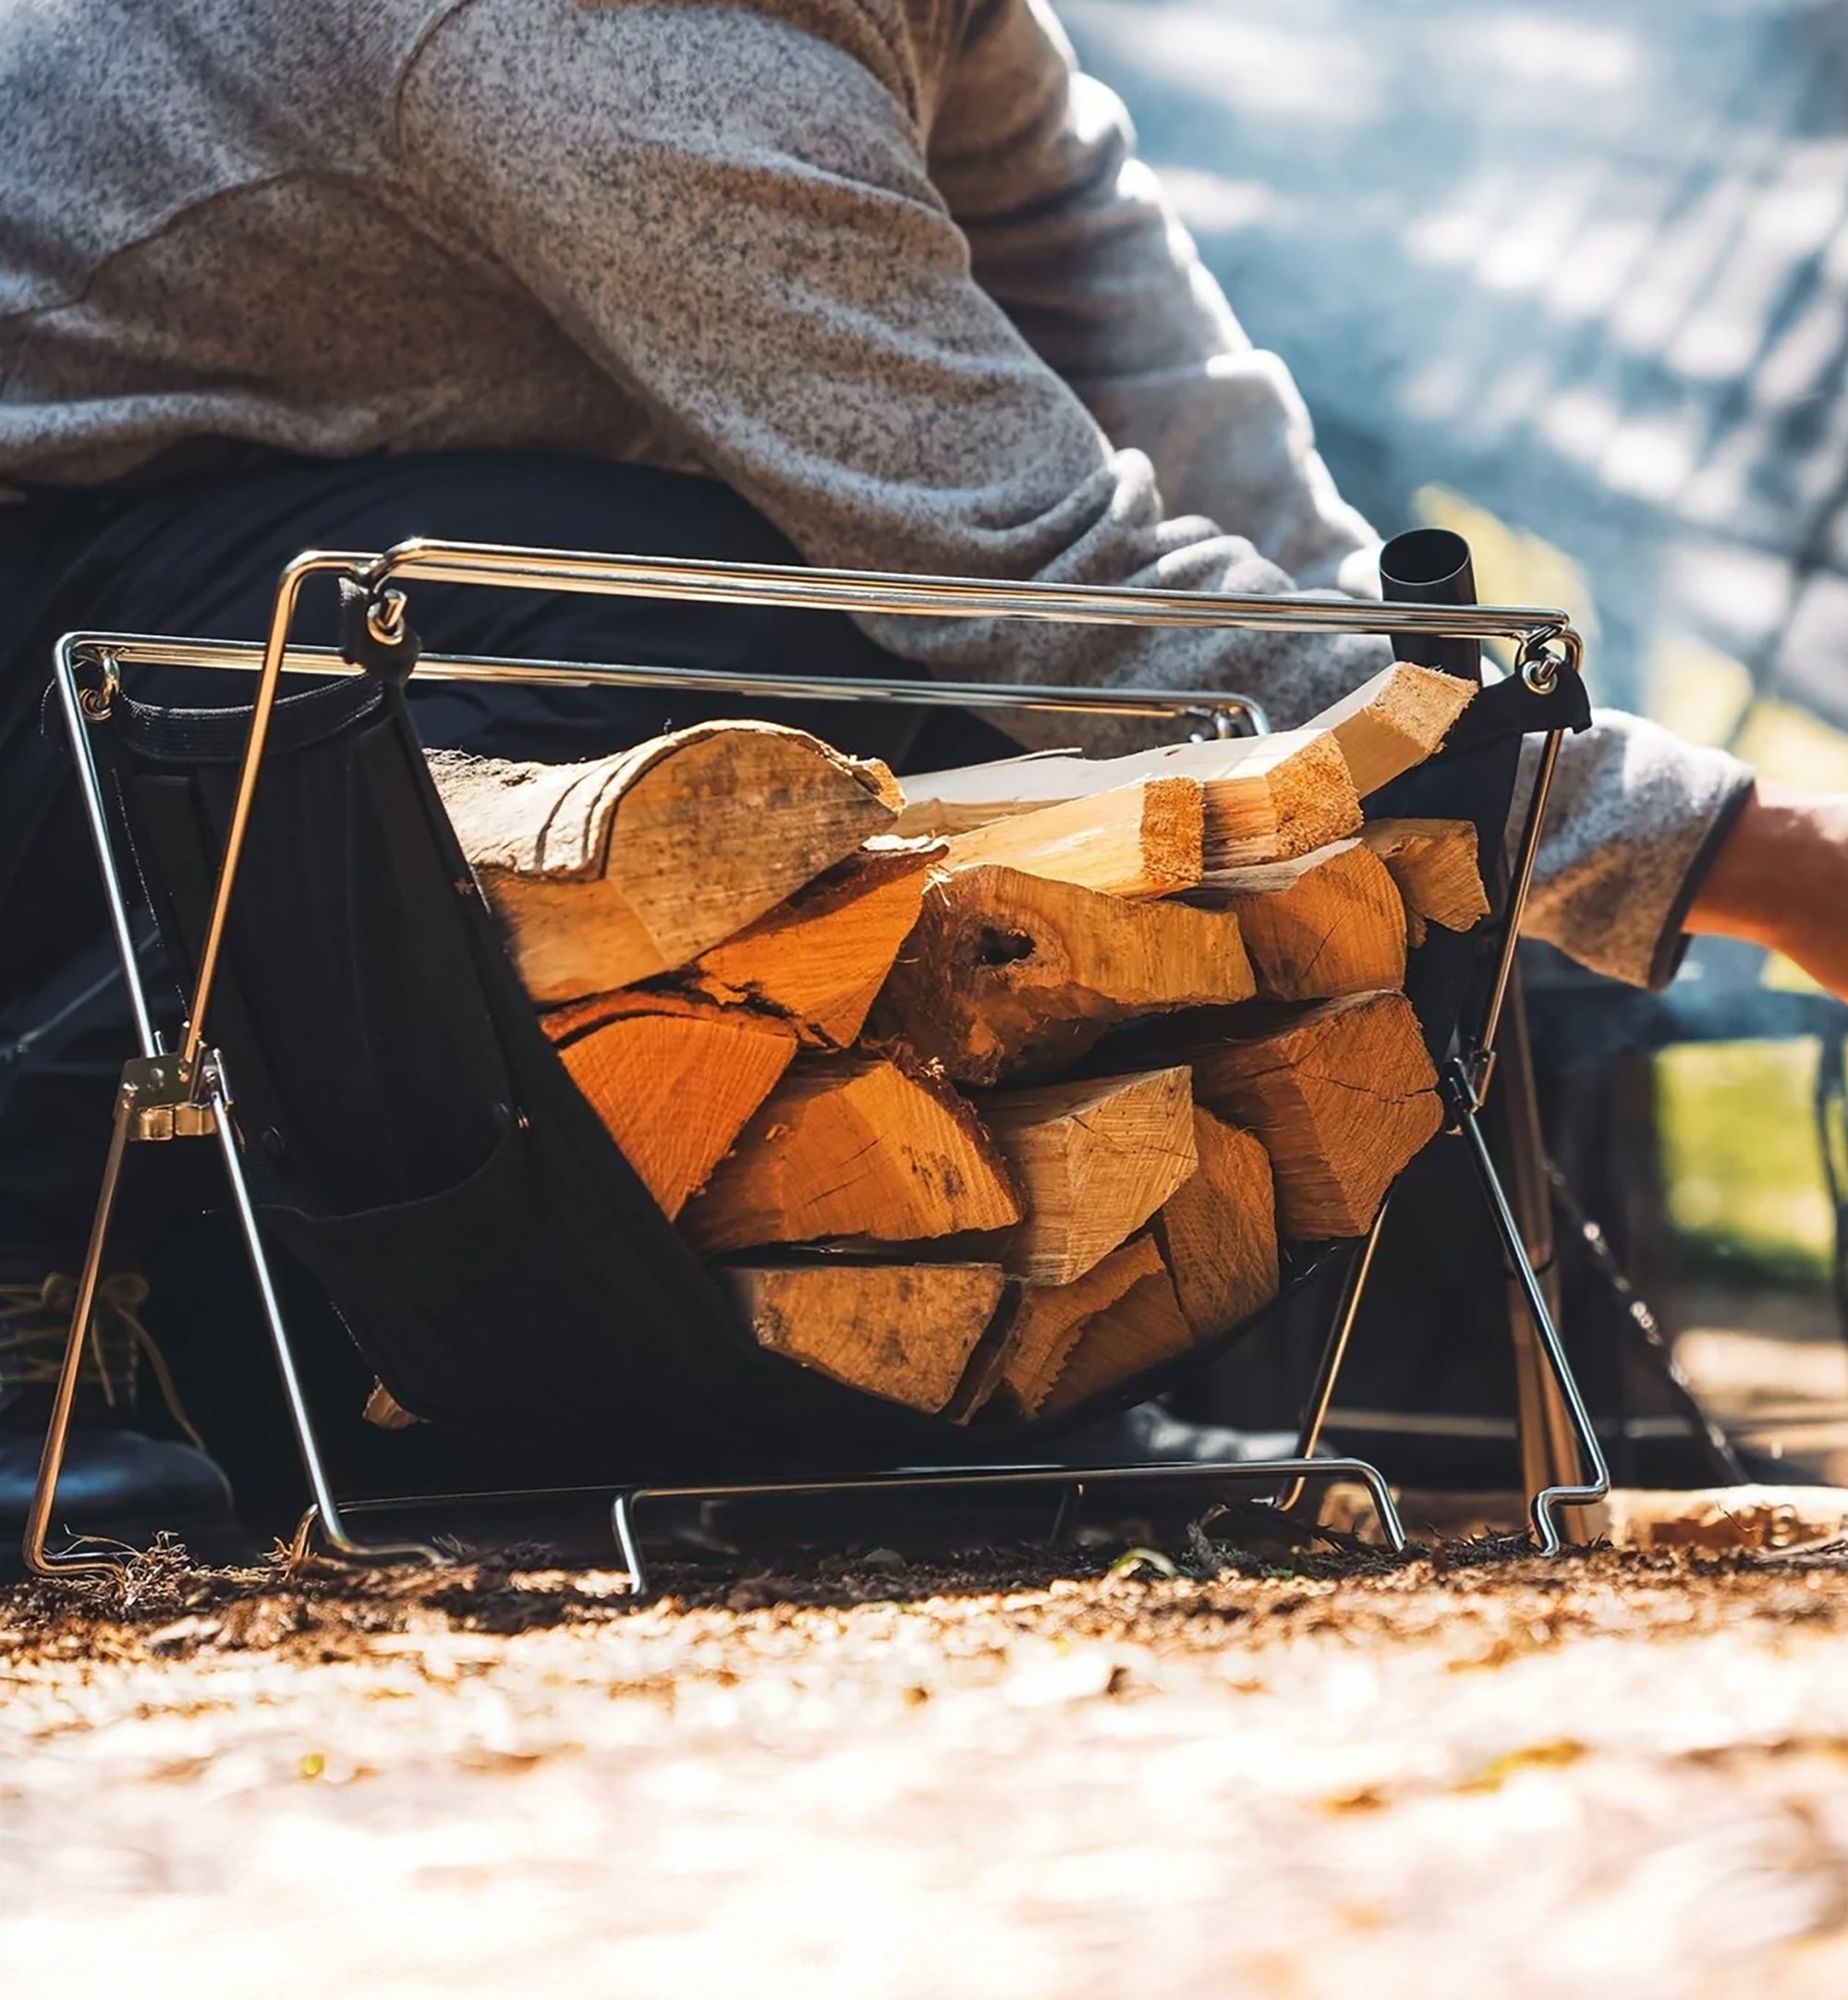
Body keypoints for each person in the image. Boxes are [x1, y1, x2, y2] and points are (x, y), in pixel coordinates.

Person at [1, 0, 1842, 1541]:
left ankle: (992, 1335)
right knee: (732, 603)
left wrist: (1453, 719)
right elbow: (1042, 584)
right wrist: (1749, 855)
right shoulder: (588, 38)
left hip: (235, 537)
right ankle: (53, 1300)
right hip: (64, 622)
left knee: (822, 607)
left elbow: (1164, 402)